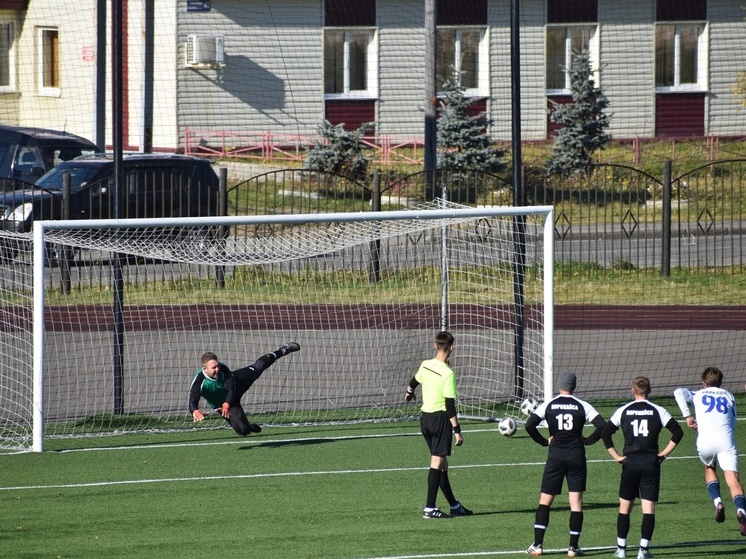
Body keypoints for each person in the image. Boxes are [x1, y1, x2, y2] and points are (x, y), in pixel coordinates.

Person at [524, 370, 606, 558]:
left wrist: (544, 441)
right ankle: (573, 548)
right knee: (575, 503)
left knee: (545, 501)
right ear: (574, 386)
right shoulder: (582, 405)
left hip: (556, 457)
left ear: (559, 385)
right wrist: (586, 440)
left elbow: (529, 425)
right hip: (577, 456)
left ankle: (537, 545)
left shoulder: (549, 404)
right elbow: (602, 426)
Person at [602, 376, 684, 559]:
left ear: (633, 391)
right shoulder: (658, 410)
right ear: (649, 391)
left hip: (629, 463)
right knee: (649, 509)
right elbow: (678, 432)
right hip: (650, 463)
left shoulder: (623, 410)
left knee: (625, 507)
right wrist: (663, 454)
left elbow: (606, 433)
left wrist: (616, 456)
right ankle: (643, 551)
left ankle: (621, 550)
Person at [404, 331, 472, 519]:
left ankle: (454, 506)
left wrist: (409, 392)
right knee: (436, 462)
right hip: (440, 420)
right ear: (451, 348)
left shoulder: (426, 365)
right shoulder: (448, 374)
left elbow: (414, 381)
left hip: (425, 419)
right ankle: (429, 508)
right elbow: (450, 405)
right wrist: (457, 431)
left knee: (442, 464)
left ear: (435, 346)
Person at [673, 366, 746, 536]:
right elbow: (733, 421)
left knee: (709, 468)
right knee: (733, 479)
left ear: (703, 382)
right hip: (726, 440)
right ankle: (741, 511)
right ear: (720, 383)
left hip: (705, 440)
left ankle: (718, 502)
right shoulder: (729, 396)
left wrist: (688, 416)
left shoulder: (698, 394)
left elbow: (678, 392)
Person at [188, 342, 300, 436]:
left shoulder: (223, 370)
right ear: (205, 369)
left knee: (258, 368)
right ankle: (248, 426)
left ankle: (283, 350)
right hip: (223, 405)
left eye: (217, 366)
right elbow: (193, 399)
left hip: (236, 386)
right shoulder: (199, 381)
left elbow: (231, 388)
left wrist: (227, 403)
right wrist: (195, 410)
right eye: (213, 368)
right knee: (243, 430)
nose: (217, 369)